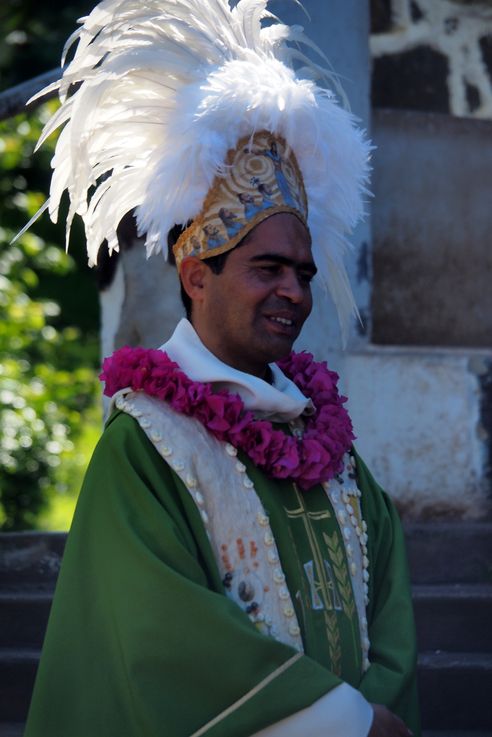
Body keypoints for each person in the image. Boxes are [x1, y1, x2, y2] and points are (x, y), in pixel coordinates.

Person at [22, 2, 420, 736]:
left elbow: (389, 608)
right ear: (195, 273)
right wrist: (348, 721)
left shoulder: (334, 457)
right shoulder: (146, 452)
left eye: (303, 271)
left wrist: (381, 714)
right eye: (267, 268)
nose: (295, 292)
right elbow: (161, 639)